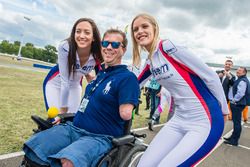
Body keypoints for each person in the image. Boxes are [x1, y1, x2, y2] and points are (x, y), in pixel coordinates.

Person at [23, 28, 140, 167]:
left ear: (123, 50)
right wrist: (67, 116)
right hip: (74, 128)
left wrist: (128, 105)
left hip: (98, 137)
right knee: (34, 147)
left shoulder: (127, 78)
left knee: (68, 161)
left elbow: (126, 114)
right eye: (105, 43)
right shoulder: (101, 75)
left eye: (115, 44)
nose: (109, 47)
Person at [131, 13, 229, 166]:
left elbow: (211, 77)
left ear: (155, 28)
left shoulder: (167, 47)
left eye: (144, 26)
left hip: (205, 121)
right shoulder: (150, 61)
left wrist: (224, 111)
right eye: (135, 29)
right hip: (179, 120)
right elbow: (134, 84)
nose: (139, 31)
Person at [43, 18, 103, 114]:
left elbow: (101, 78)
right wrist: (63, 108)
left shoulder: (98, 53)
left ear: (94, 37)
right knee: (57, 118)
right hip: (56, 83)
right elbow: (65, 81)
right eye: (78, 31)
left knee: (73, 119)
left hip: (75, 85)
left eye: (87, 32)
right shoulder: (65, 46)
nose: (81, 36)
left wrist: (88, 75)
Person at [224, 67, 249, 146]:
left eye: (240, 71)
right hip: (237, 104)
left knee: (237, 123)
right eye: (237, 70)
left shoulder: (242, 81)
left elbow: (241, 93)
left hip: (237, 104)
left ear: (244, 73)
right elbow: (234, 83)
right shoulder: (240, 79)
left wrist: (234, 100)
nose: (237, 71)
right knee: (236, 122)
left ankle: (234, 141)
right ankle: (233, 137)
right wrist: (230, 77)